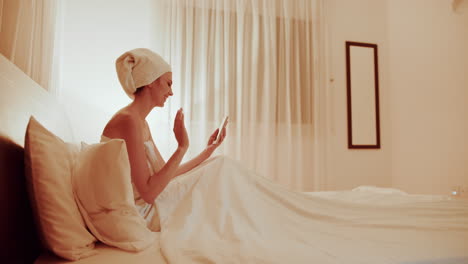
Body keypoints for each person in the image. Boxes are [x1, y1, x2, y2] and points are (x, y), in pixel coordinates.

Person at [101, 48, 227, 231]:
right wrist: (182, 147)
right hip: (140, 213)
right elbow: (149, 193)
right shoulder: (129, 121)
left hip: (149, 204)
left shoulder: (140, 122)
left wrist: (208, 151)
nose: (171, 92)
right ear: (150, 82)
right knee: (220, 177)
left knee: (218, 163)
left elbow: (166, 175)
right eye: (168, 84)